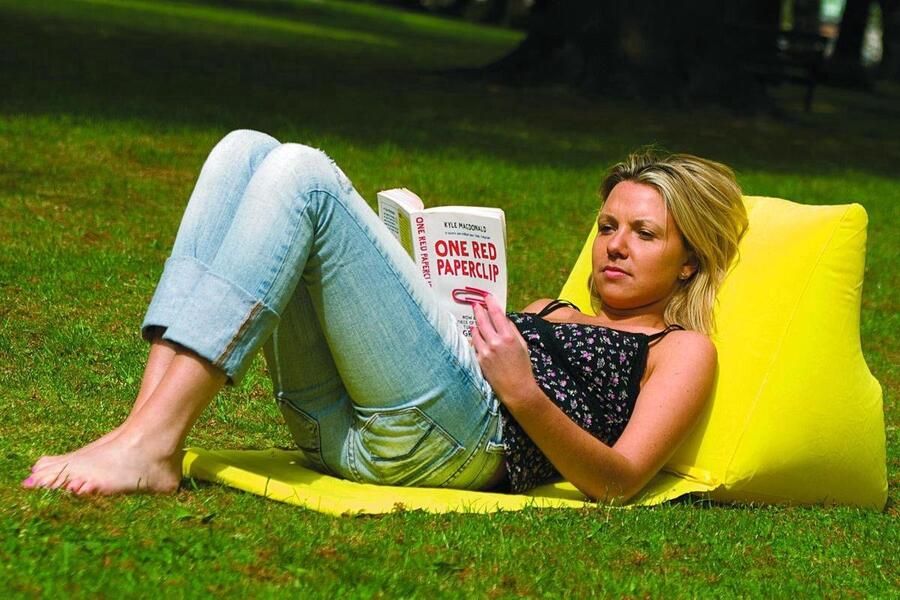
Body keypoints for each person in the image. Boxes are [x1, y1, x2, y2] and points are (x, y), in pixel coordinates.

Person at [23, 130, 748, 502]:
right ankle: (140, 431)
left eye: (644, 234)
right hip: (334, 428)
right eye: (608, 225)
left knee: (303, 173)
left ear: (688, 261)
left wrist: (522, 391)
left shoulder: (678, 348)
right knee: (245, 151)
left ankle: (150, 446)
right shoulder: (549, 310)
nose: (615, 245)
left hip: (455, 445)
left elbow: (620, 482)